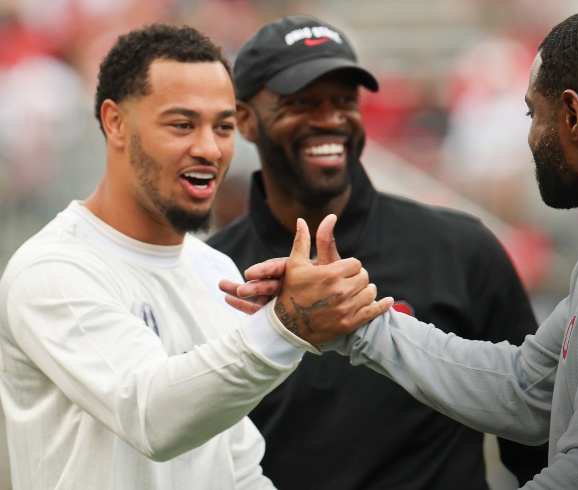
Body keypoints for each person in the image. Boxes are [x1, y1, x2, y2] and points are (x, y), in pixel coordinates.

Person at [228, 7, 578, 489]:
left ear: (573, 116)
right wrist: (355, 325)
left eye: (533, 114)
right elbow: (527, 388)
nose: (530, 136)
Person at [0, 23, 390, 489]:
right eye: (182, 124)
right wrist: (285, 326)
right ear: (115, 122)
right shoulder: (52, 270)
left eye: (223, 126)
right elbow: (150, 415)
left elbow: (238, 468)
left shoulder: (215, 269)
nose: (209, 148)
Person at [206, 14, 548, 489]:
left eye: (344, 100)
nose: (330, 118)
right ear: (244, 119)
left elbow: (538, 440)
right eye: (301, 102)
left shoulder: (459, 249)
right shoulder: (210, 273)